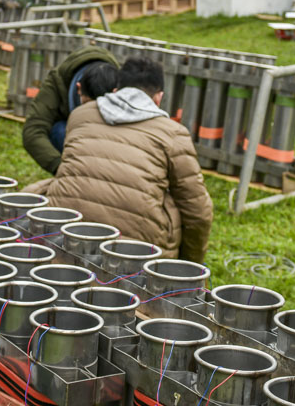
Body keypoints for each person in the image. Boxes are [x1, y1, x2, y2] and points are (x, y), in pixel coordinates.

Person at [27, 56, 212, 262]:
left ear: (117, 88)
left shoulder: (81, 114)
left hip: (65, 230)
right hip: (136, 251)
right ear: (159, 97)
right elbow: (198, 212)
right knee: (173, 203)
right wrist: (191, 265)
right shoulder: (173, 134)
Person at [22, 44, 120, 174]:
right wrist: (61, 168)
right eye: (87, 105)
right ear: (78, 88)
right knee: (59, 130)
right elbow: (33, 130)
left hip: (110, 142)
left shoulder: (124, 86)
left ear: (115, 92)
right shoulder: (57, 81)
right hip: (72, 139)